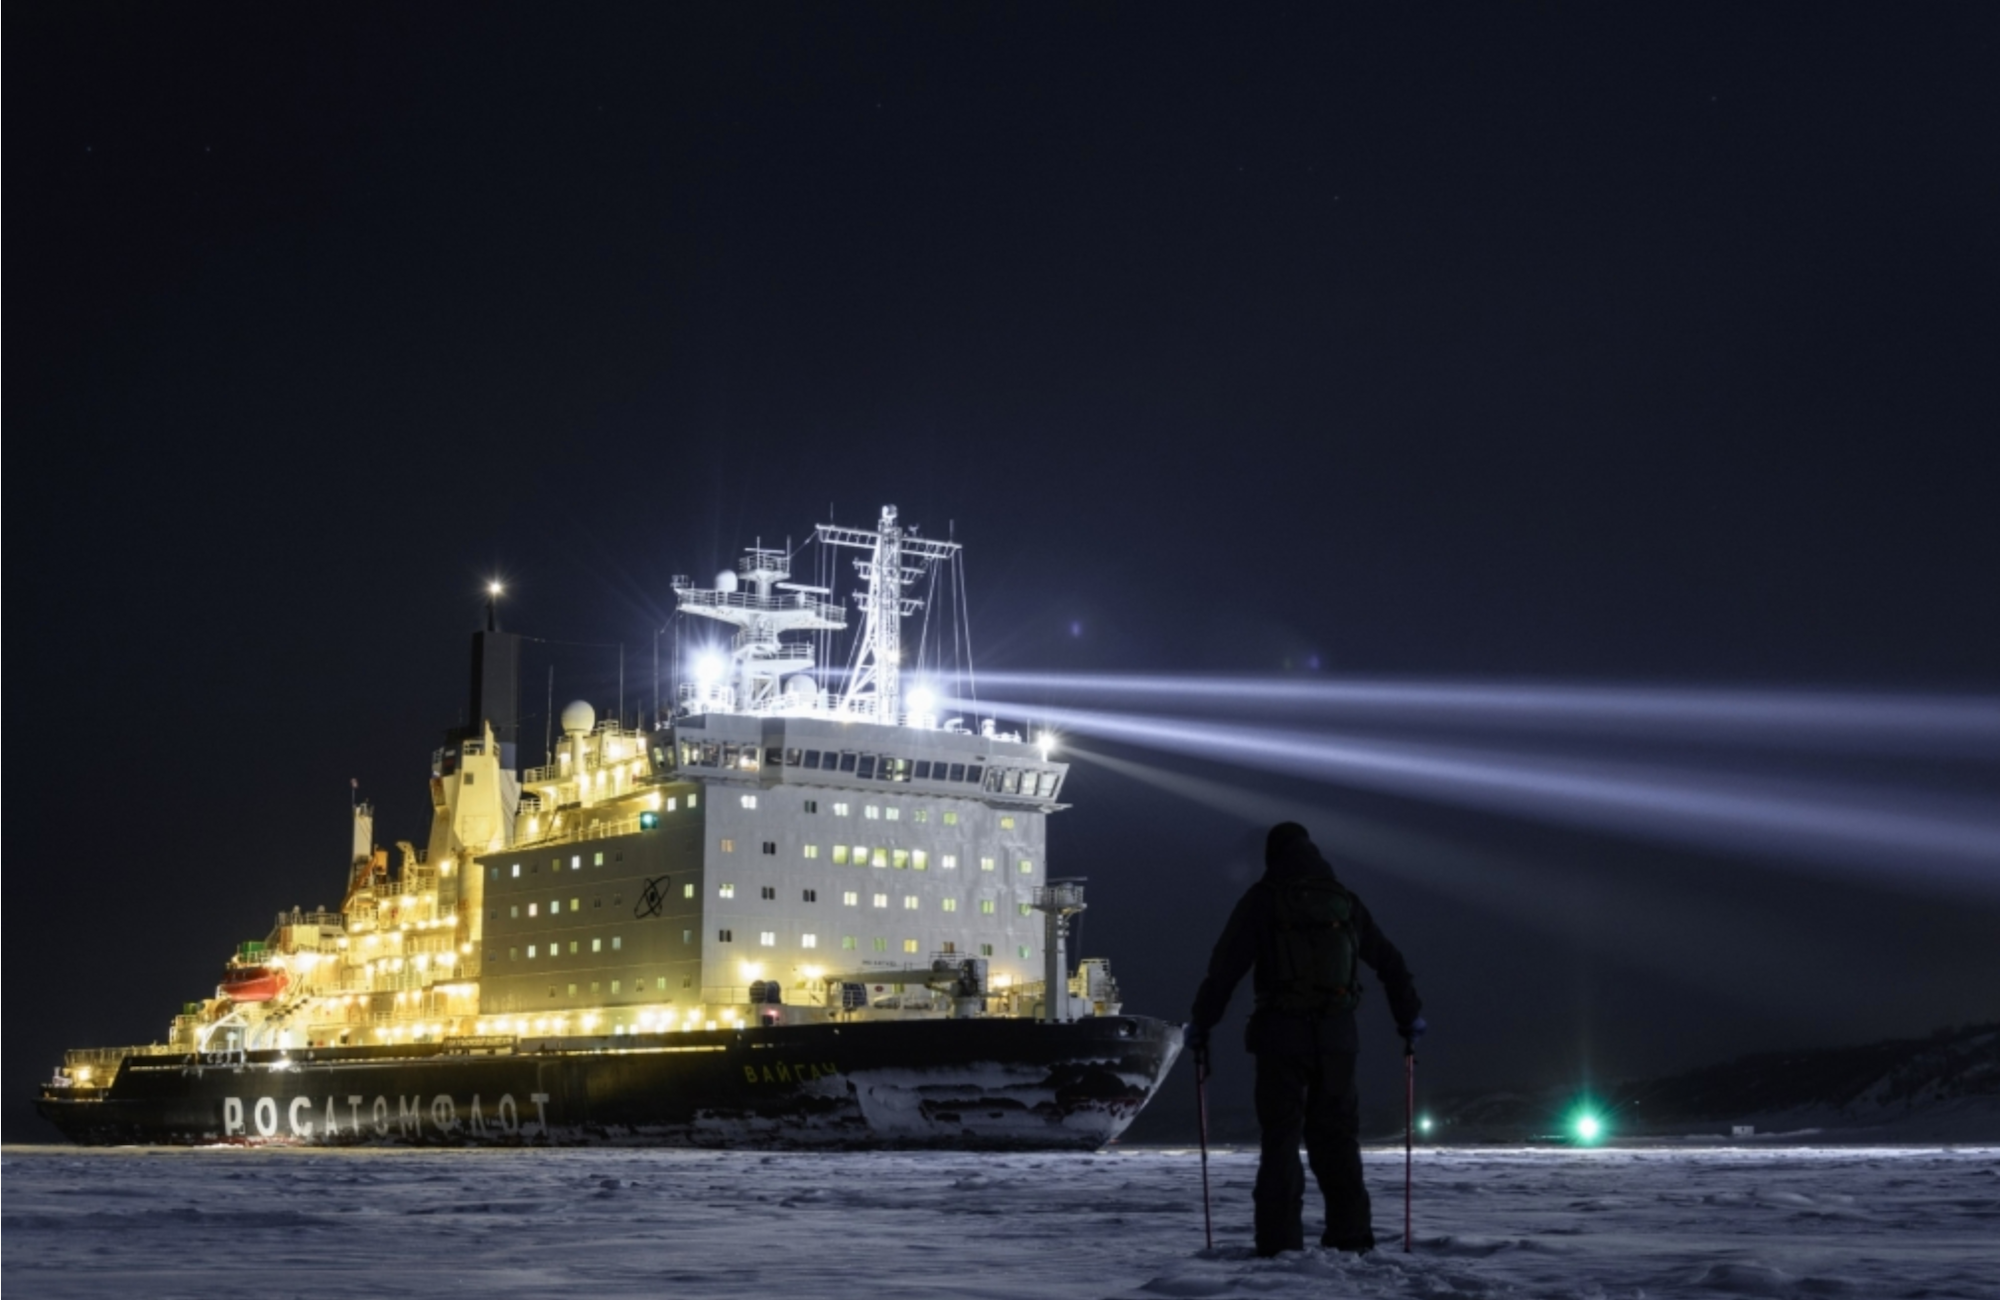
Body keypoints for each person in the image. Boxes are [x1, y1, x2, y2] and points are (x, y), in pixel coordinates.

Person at [1187, 821, 1425, 1256]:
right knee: (1337, 1139)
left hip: (1280, 1037)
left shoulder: (1263, 900)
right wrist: (1409, 1020)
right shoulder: (1343, 902)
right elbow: (1390, 962)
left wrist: (1201, 1025)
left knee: (1280, 1139)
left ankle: (1279, 1245)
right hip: (1338, 1040)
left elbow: (1224, 971)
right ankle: (1351, 1239)